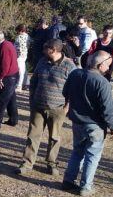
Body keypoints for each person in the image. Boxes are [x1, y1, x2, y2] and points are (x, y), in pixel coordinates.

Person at [61, 51, 113, 196]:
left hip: (77, 122)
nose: (109, 68)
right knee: (92, 155)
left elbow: (65, 92)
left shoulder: (75, 74)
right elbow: (108, 109)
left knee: (77, 152)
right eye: (108, 65)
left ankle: (68, 180)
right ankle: (86, 187)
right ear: (100, 65)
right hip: (95, 126)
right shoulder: (102, 82)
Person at [16, 39, 76, 176]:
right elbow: (34, 81)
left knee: (54, 137)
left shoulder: (69, 66)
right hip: (38, 106)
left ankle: (51, 163)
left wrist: (67, 106)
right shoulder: (42, 61)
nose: (43, 51)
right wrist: (31, 98)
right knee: (33, 136)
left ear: (53, 50)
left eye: (45, 48)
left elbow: (74, 88)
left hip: (57, 109)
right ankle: (27, 163)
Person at [0, 30, 19, 128]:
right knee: (11, 99)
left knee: (2, 100)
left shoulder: (4, 47)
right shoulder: (8, 44)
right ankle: (13, 120)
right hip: (13, 75)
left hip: (9, 76)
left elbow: (5, 64)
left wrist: (1, 78)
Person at [14, 24, 30, 90]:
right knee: (23, 70)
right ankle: (23, 84)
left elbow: (16, 47)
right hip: (24, 55)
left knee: (20, 71)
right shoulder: (28, 37)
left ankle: (19, 85)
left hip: (19, 55)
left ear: (20, 30)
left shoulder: (19, 37)